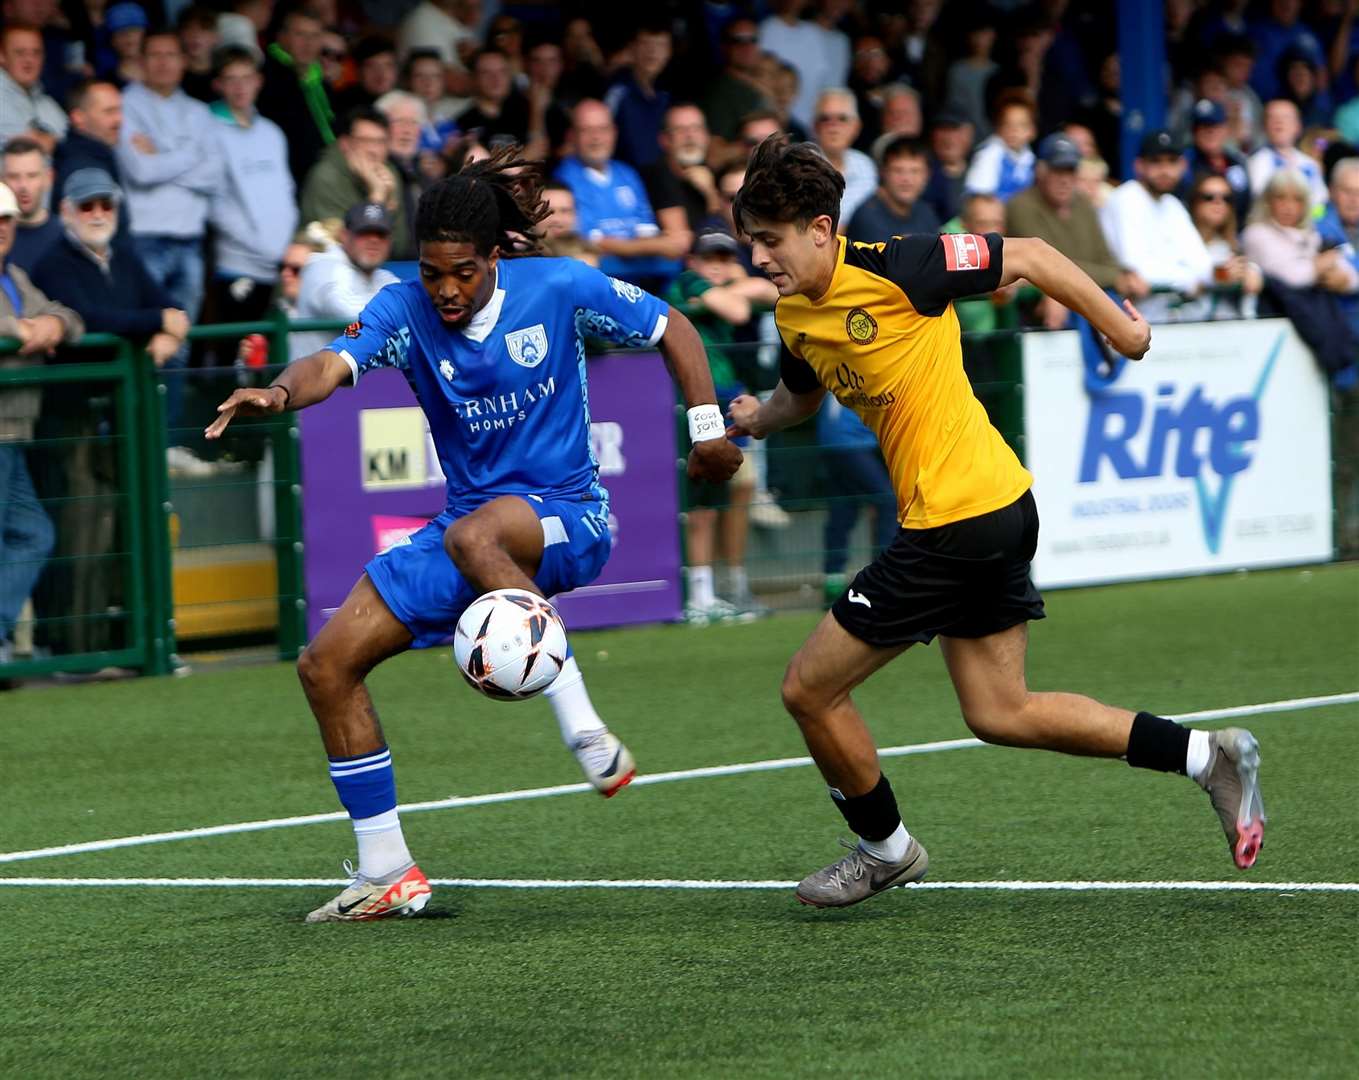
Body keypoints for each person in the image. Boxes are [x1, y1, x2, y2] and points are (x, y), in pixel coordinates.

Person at [725, 135, 1264, 909]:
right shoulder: (794, 314)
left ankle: (885, 849)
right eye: (750, 243)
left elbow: (1033, 254)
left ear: (819, 229)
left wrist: (1123, 330)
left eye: (770, 242)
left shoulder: (897, 264)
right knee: (999, 711)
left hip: (957, 518)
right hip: (992, 509)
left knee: (808, 690)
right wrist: (754, 420)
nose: (758, 259)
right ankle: (1204, 757)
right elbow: (801, 398)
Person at [203, 149, 741, 922]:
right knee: (325, 665)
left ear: (493, 256)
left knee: (473, 539)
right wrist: (280, 392)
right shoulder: (401, 307)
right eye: (431, 272)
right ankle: (388, 870)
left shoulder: (557, 288)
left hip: (570, 515)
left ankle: (583, 727)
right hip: (469, 526)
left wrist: (704, 427)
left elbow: (674, 326)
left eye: (462, 271)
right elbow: (334, 360)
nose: (446, 290)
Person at [665, 227, 778, 621]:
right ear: (693, 261)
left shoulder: (715, 284)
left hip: (723, 393)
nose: (717, 267)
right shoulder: (684, 282)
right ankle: (701, 595)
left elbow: (768, 293)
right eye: (710, 259)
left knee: (739, 485)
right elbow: (740, 311)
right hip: (688, 401)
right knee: (701, 499)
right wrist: (734, 291)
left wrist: (733, 287)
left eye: (725, 259)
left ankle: (731, 583)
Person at [0, 179, 83, 666]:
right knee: (32, 532)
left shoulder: (14, 276)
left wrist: (51, 325)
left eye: (6, 220)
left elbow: (67, 316)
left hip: (12, 431)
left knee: (33, 533)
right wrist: (20, 329)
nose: (1, 229)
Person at [1006, 133, 1147, 330]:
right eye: (1057, 171)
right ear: (1041, 170)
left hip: (1084, 309)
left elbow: (1105, 260)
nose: (1065, 180)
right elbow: (1046, 265)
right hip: (1037, 320)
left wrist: (1123, 274)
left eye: (1070, 171)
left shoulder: (1083, 204)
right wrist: (1115, 277)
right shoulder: (1020, 206)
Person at [554, 99, 688, 294]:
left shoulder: (627, 173)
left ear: (614, 133)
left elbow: (645, 229)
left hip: (643, 280)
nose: (596, 138)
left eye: (603, 129)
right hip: (599, 285)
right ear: (571, 136)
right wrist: (659, 245)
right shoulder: (565, 177)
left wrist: (651, 245)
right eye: (587, 130)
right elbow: (592, 241)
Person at [1243, 168, 1359, 389]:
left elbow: (1348, 271)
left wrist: (1344, 279)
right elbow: (1293, 277)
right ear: (1268, 201)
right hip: (1275, 333)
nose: (1288, 206)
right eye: (1280, 198)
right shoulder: (1257, 233)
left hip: (1316, 329)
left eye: (1296, 200)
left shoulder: (1310, 234)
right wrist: (1319, 265)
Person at [1099, 130, 1214, 323]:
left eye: (1171, 161)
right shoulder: (1125, 198)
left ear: (1182, 166)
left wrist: (1188, 278)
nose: (1165, 170)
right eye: (1156, 162)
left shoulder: (1172, 204)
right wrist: (1188, 280)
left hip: (1174, 318)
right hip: (1130, 319)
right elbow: (1137, 268)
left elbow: (1203, 265)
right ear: (1139, 165)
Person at [289, 202, 400, 360]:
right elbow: (352, 313)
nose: (374, 240)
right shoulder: (322, 266)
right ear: (344, 236)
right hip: (311, 381)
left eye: (381, 234)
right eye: (364, 233)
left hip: (355, 380)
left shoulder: (383, 277)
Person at [300, 106, 411, 260]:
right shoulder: (326, 175)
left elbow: (400, 247)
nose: (374, 150)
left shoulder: (389, 173)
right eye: (365, 141)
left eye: (381, 142)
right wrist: (377, 195)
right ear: (345, 143)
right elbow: (343, 249)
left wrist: (390, 201)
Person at [259, 6, 335, 188]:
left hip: (321, 181)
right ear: (282, 37)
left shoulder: (321, 81)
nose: (308, 43)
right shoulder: (266, 79)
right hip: (284, 182)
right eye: (300, 35)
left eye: (315, 36)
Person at [1186, 172, 1263, 320]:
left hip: (1231, 329)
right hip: (1185, 326)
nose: (1218, 203)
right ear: (1194, 202)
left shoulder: (1235, 245)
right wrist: (1214, 277)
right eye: (1209, 197)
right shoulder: (1181, 240)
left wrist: (1252, 273)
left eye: (1226, 198)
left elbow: (1252, 278)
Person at [602, 23, 672, 171]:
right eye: (645, 44)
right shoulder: (617, 91)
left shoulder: (667, 95)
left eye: (660, 45)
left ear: (669, 52)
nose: (652, 51)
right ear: (632, 49)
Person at [845, 134, 939, 243]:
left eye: (915, 171)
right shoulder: (867, 216)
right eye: (898, 170)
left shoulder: (927, 213)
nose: (906, 179)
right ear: (883, 173)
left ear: (927, 175)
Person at [809, 87, 876, 230]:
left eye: (842, 119)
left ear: (856, 127)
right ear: (815, 127)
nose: (833, 126)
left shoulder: (866, 166)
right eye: (825, 119)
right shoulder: (799, 164)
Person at [1180, 97, 1253, 225]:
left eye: (1215, 126)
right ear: (1194, 132)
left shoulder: (1236, 162)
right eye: (1204, 127)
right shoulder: (1184, 163)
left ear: (1225, 129)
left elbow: (1246, 205)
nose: (1210, 132)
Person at [0, 24, 68, 153]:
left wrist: (46, 140)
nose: (29, 60)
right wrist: (50, 140)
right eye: (20, 53)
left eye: (36, 53)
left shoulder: (44, 99)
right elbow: (26, 147)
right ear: (2, 56)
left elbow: (69, 138)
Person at [1248, 98, 1327, 206]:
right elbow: (1261, 201)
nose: (1279, 122)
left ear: (1298, 126)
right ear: (1264, 126)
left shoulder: (1310, 164)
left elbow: (1320, 204)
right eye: (1273, 117)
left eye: (1286, 117)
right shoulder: (1257, 163)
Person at [963, 88, 1036, 203]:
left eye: (1021, 125)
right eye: (1008, 124)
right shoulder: (989, 155)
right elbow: (979, 199)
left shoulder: (1029, 158)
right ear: (998, 127)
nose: (1014, 131)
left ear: (1032, 131)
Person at [1, 136, 60, 270]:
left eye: (32, 175)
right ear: (2, 180)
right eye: (14, 176)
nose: (23, 186)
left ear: (48, 178)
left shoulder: (66, 237)